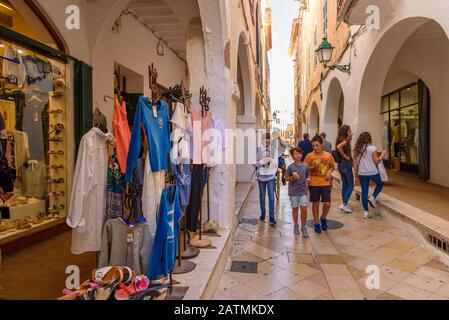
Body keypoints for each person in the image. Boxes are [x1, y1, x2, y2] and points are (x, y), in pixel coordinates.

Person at [304, 135, 335, 234]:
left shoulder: (328, 156)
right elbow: (305, 167)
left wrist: (329, 172)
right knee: (315, 203)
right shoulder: (309, 156)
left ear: (322, 144)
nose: (315, 148)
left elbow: (331, 167)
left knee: (327, 203)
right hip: (313, 183)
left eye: (317, 145)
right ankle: (316, 223)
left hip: (325, 182)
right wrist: (312, 167)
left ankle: (323, 217)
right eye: (313, 146)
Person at [353, 132, 386, 219]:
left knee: (364, 192)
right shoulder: (372, 148)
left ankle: (366, 212)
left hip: (362, 173)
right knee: (381, 183)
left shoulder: (358, 149)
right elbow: (376, 161)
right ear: (369, 138)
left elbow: (355, 163)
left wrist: (356, 174)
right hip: (372, 172)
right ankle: (373, 197)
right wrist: (382, 154)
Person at [285, 147, 309, 238]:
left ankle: (303, 227)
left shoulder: (305, 166)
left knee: (304, 209)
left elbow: (307, 176)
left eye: (299, 153)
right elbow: (286, 178)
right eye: (295, 154)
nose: (298, 155)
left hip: (303, 191)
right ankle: (296, 225)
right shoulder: (291, 167)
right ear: (293, 156)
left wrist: (308, 180)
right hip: (293, 191)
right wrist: (292, 178)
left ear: (302, 154)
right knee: (295, 209)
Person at [254, 133, 278, 226]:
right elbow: (253, 162)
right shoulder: (258, 149)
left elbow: (276, 163)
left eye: (269, 142)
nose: (267, 143)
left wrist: (271, 159)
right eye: (266, 142)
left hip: (271, 177)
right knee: (262, 196)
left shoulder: (274, 150)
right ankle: (262, 214)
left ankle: (272, 218)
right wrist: (262, 162)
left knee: (271, 197)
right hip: (261, 177)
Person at [336, 125, 354, 214]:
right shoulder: (345, 140)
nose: (351, 131)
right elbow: (339, 147)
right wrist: (345, 156)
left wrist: (349, 138)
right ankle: (344, 204)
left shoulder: (341, 138)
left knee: (345, 185)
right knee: (351, 185)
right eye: (349, 130)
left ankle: (345, 204)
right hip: (346, 165)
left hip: (341, 165)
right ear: (346, 131)